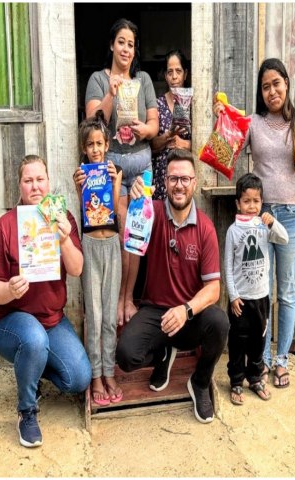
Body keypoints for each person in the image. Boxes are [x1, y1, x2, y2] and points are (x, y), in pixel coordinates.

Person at [213, 58, 295, 388]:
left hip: (293, 215)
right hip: (260, 218)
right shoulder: (253, 123)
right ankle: (262, 359)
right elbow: (228, 152)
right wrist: (223, 121)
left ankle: (281, 359)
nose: (272, 91)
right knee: (261, 292)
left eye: (277, 84)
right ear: (261, 91)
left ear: (286, 84)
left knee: (286, 291)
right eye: (265, 86)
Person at [115, 148, 229, 423]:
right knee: (126, 356)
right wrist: (132, 206)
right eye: (174, 178)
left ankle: (200, 382)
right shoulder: (150, 212)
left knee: (220, 323)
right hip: (155, 311)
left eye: (185, 179)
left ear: (194, 182)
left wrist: (186, 310)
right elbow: (127, 240)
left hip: (189, 315)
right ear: (164, 182)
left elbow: (213, 289)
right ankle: (164, 352)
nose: (179, 185)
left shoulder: (205, 228)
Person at [0, 155, 91, 448]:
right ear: (19, 185)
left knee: (79, 379)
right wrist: (9, 289)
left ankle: (30, 369)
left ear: (48, 182)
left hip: (52, 321)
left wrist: (65, 240)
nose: (35, 186)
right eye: (28, 180)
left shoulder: (63, 217)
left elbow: (77, 269)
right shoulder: (3, 228)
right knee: (32, 338)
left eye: (40, 179)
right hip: (10, 323)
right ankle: (26, 411)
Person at [85, 18, 159, 326]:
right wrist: (112, 94)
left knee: (136, 235)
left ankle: (129, 298)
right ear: (112, 45)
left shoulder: (143, 79)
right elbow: (92, 120)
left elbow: (155, 125)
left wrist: (145, 129)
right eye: (121, 42)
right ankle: (117, 299)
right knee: (120, 235)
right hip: (112, 166)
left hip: (142, 165)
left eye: (131, 44)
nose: (126, 48)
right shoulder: (99, 80)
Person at [72, 111, 124, 406]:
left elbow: (113, 210)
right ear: (84, 148)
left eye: (99, 144)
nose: (95, 149)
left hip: (111, 245)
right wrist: (79, 187)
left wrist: (115, 182)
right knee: (93, 314)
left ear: (107, 146)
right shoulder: (82, 175)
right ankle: (94, 375)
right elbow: (85, 210)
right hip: (90, 246)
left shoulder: (110, 171)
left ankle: (109, 370)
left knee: (108, 316)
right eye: (90, 144)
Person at [224, 173, 288, 405]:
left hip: (262, 299)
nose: (252, 206)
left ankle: (255, 378)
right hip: (241, 301)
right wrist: (233, 296)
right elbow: (228, 268)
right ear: (238, 203)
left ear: (262, 202)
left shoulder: (264, 227)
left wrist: (273, 222)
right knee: (238, 343)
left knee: (258, 343)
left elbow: (284, 239)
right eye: (247, 201)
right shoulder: (233, 231)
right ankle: (236, 382)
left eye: (257, 201)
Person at [150, 49, 192, 200]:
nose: (174, 76)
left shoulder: (194, 103)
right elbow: (152, 146)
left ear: (185, 74)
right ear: (166, 76)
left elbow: (204, 146)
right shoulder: (157, 104)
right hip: (163, 174)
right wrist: (168, 136)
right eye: (170, 72)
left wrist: (184, 144)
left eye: (178, 71)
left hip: (186, 176)